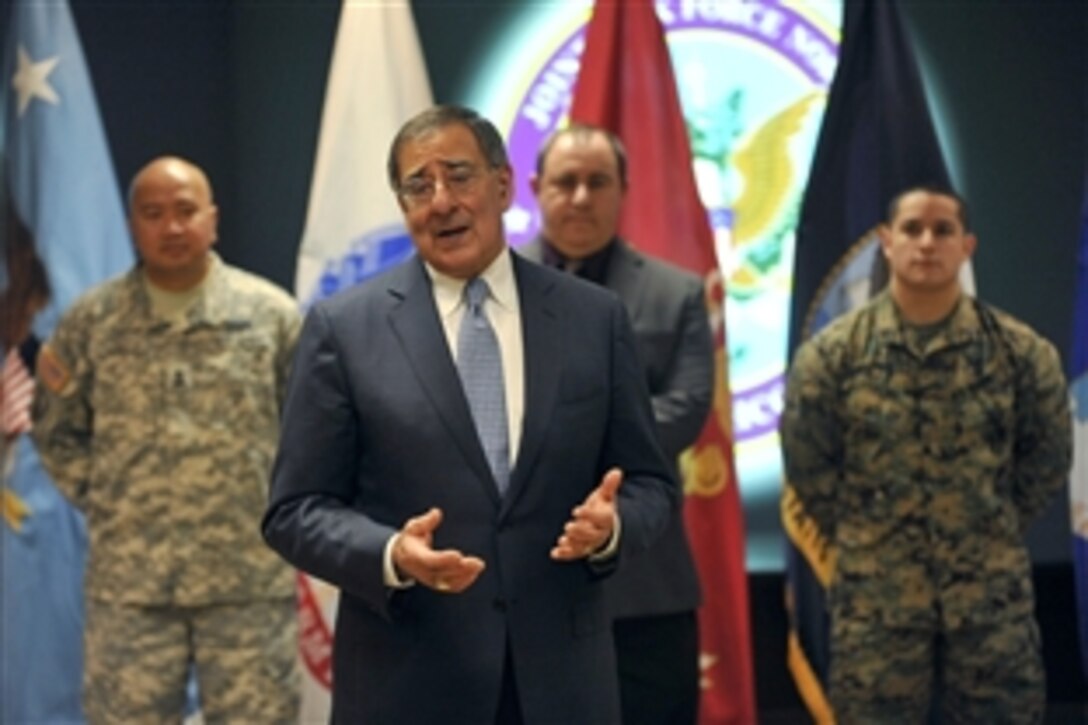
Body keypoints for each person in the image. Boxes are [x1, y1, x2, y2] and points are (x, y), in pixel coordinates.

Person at [262, 105, 678, 725]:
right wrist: (390, 553)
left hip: (561, 688)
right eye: (418, 186)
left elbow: (651, 484)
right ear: (402, 207)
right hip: (408, 683)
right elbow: (294, 512)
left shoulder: (595, 319)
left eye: (459, 176)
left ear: (504, 186)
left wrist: (613, 526)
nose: (440, 201)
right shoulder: (343, 330)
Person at [780, 185, 1072, 723]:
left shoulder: (1021, 353)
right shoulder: (832, 356)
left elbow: (1048, 456)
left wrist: (989, 526)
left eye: (943, 230)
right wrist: (869, 534)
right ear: (886, 244)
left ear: (968, 246)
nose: (927, 242)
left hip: (989, 603)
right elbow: (808, 462)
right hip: (877, 604)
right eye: (912, 229)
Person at [31, 156, 301, 723]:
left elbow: (310, 435)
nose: (172, 227)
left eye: (185, 211)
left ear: (213, 218)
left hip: (245, 582)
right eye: (153, 214)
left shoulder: (271, 317)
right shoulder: (92, 321)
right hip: (133, 591)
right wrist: (106, 495)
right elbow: (54, 428)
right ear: (132, 225)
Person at [520, 123, 712, 724]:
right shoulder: (491, 288)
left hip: (647, 584)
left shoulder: (675, 293)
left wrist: (561, 434)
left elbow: (685, 409)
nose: (580, 196)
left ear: (623, 189)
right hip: (527, 581)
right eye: (566, 181)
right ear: (534, 188)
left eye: (597, 182)